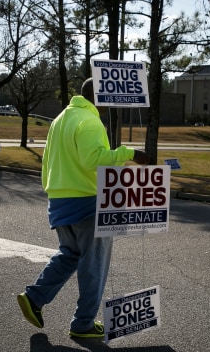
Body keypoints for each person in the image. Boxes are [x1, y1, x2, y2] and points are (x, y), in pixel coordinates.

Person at [17, 78, 150, 338]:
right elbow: (93, 160)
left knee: (69, 254)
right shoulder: (89, 121)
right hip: (88, 203)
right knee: (94, 264)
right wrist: (129, 154)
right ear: (98, 97)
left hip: (59, 201)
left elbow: (52, 162)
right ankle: (84, 324)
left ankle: (34, 298)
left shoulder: (60, 119)